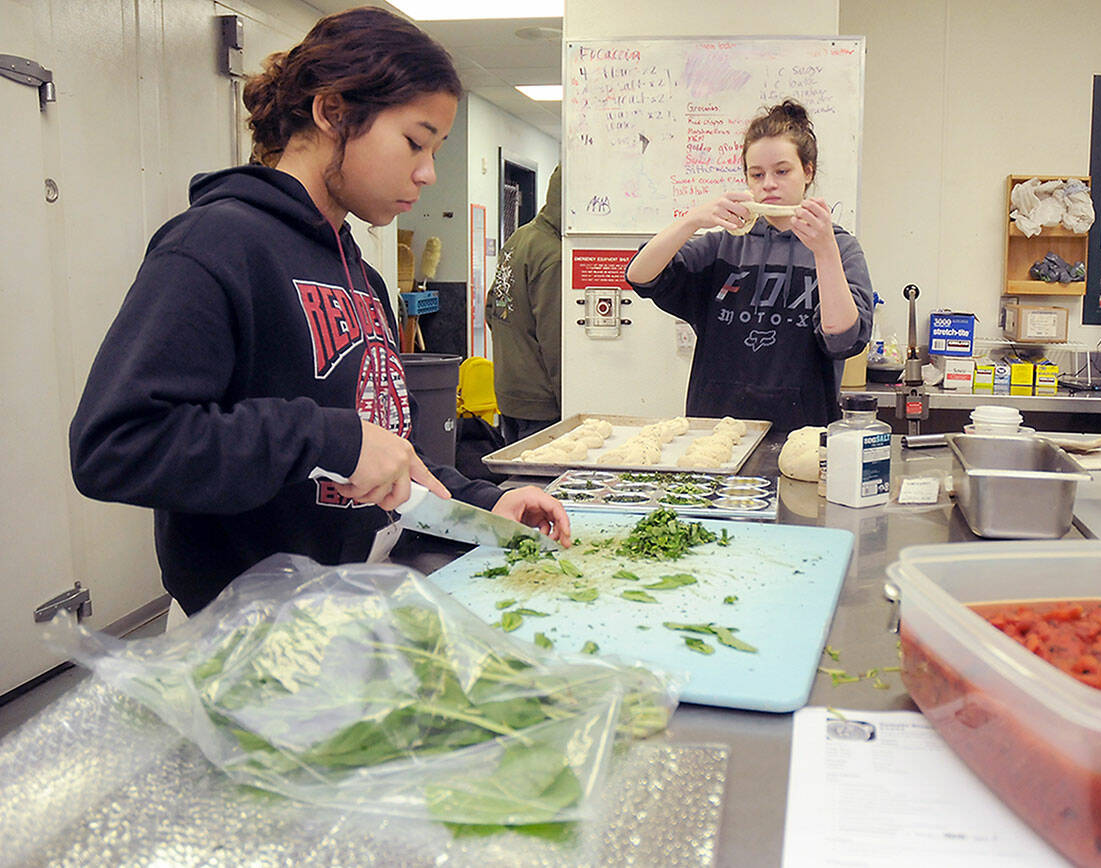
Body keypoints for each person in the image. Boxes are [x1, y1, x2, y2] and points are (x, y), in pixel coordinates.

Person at [69, 7, 570, 615]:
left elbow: (385, 445)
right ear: (332, 112)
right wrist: (326, 438)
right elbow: (116, 445)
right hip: (245, 632)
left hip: (354, 605)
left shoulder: (363, 276)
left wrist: (482, 502)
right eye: (414, 141)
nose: (427, 172)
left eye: (436, 149)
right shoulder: (215, 244)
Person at [625, 99, 873, 431]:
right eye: (757, 174)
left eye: (782, 171)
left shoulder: (840, 247)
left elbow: (843, 340)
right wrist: (693, 220)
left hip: (802, 430)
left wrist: (824, 252)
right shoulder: (723, 244)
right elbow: (639, 275)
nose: (768, 183)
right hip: (715, 430)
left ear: (808, 171)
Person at [486, 165, 562, 443]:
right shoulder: (554, 254)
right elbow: (555, 340)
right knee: (540, 485)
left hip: (509, 391)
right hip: (541, 403)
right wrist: (573, 401)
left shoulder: (520, 236)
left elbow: (492, 308)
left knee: (517, 480)